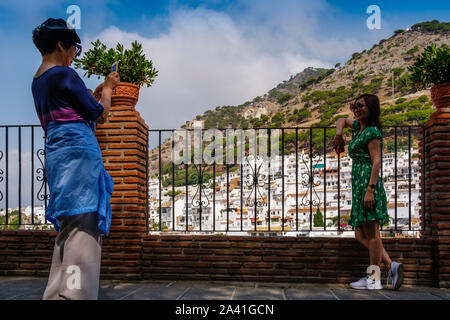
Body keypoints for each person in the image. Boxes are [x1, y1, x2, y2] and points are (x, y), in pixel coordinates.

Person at [31, 18, 120, 299]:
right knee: (84, 229)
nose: (73, 56)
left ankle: (57, 294)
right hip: (79, 156)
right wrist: (107, 89)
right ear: (61, 45)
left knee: (69, 229)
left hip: (58, 155)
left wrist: (92, 98)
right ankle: (74, 295)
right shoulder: (65, 75)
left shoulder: (38, 81)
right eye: (73, 50)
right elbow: (101, 114)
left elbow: (68, 110)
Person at [331, 93, 404, 290]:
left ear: (371, 108)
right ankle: (391, 265)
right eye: (354, 105)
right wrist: (339, 134)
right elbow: (341, 120)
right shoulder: (358, 128)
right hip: (359, 185)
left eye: (361, 105)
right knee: (359, 234)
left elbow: (377, 160)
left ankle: (374, 278)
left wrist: (370, 190)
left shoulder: (371, 132)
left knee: (372, 234)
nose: (356, 109)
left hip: (367, 184)